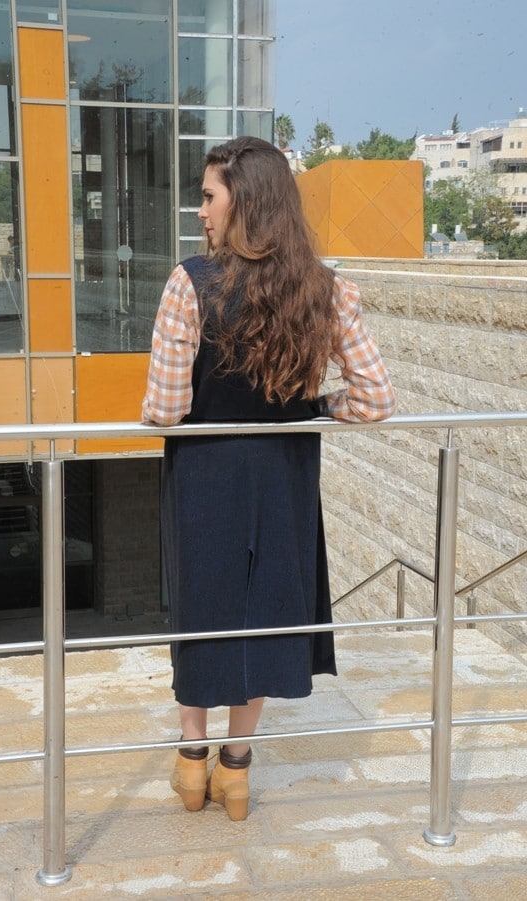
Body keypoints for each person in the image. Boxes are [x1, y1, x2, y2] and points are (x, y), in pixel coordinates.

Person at [141, 136, 396, 821]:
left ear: (244, 202)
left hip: (207, 473)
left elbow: (164, 409)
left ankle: (191, 756)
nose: (201, 212)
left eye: (208, 197)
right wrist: (315, 406)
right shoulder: (326, 288)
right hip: (284, 474)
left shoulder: (188, 283)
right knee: (263, 609)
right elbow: (375, 398)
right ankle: (237, 766)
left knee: (204, 608)